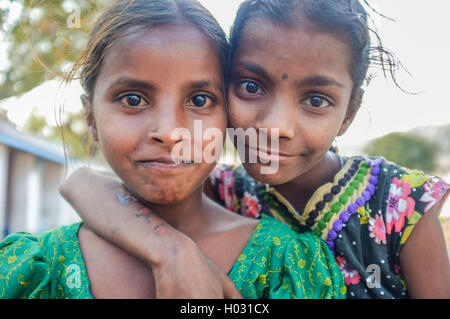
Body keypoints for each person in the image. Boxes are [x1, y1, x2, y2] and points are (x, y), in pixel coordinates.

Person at [60, 0, 450, 299]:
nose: (274, 127)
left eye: (315, 100)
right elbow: (83, 185)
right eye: (251, 86)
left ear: (348, 113)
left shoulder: (400, 203)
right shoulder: (230, 189)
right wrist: (169, 250)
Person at [0, 0, 346, 299]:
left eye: (199, 100)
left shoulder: (286, 265)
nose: (169, 132)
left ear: (228, 114)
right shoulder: (31, 269)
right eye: (133, 99)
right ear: (91, 116)